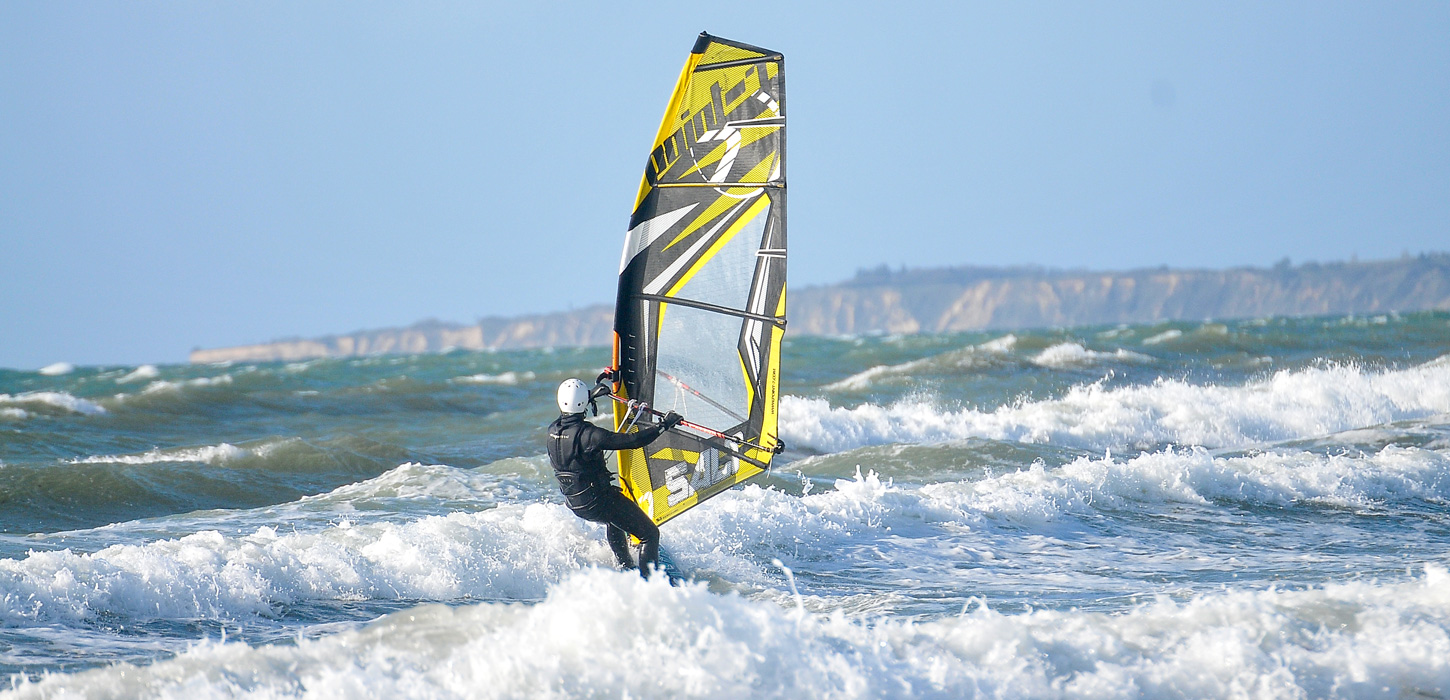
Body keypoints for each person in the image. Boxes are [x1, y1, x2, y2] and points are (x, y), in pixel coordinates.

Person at [547, 377, 682, 579]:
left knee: (615, 520)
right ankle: (651, 584)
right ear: (583, 403)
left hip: (576, 503)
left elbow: (574, 412)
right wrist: (663, 425)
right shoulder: (590, 435)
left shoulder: (553, 430)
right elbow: (633, 441)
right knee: (649, 535)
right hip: (598, 502)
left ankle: (625, 565)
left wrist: (590, 395)